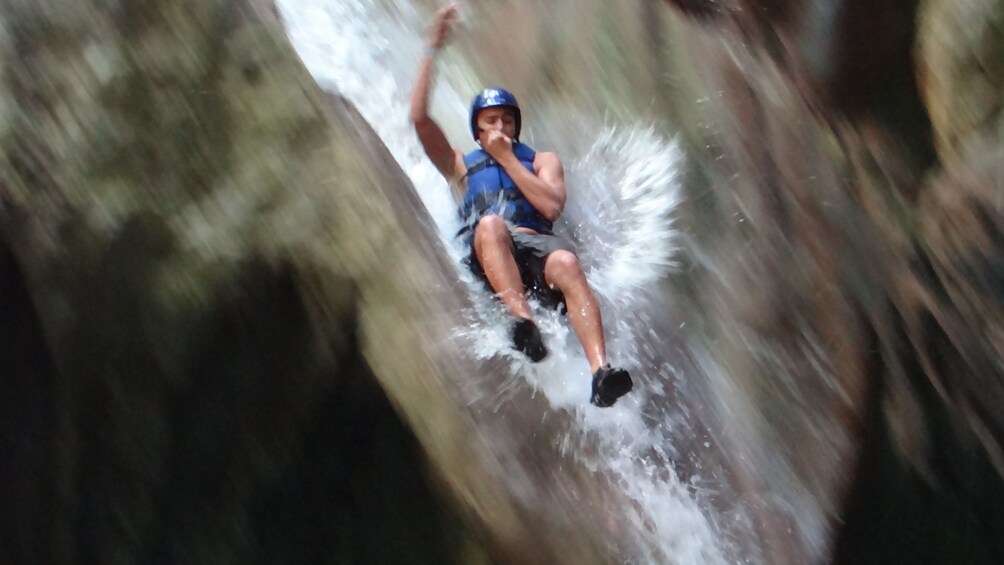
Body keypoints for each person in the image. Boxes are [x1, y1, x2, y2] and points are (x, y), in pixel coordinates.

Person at [409, 4, 633, 408]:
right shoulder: (459, 165)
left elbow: (550, 208)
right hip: (494, 255)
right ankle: (524, 325)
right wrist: (431, 49)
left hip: (539, 254)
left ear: (517, 125)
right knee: (491, 225)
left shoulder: (541, 161)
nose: (500, 128)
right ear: (477, 131)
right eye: (491, 121)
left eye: (507, 121)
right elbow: (419, 119)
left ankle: (601, 372)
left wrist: (509, 159)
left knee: (566, 261)